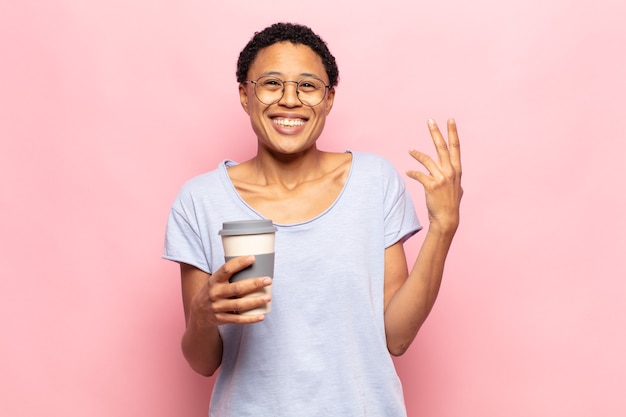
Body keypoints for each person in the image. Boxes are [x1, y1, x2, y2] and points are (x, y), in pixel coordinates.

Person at [163, 22, 462, 417]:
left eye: (307, 86)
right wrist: (203, 312)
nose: (290, 100)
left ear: (328, 98)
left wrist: (443, 228)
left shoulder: (374, 182)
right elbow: (203, 362)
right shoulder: (201, 200)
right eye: (271, 83)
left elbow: (397, 338)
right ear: (244, 94)